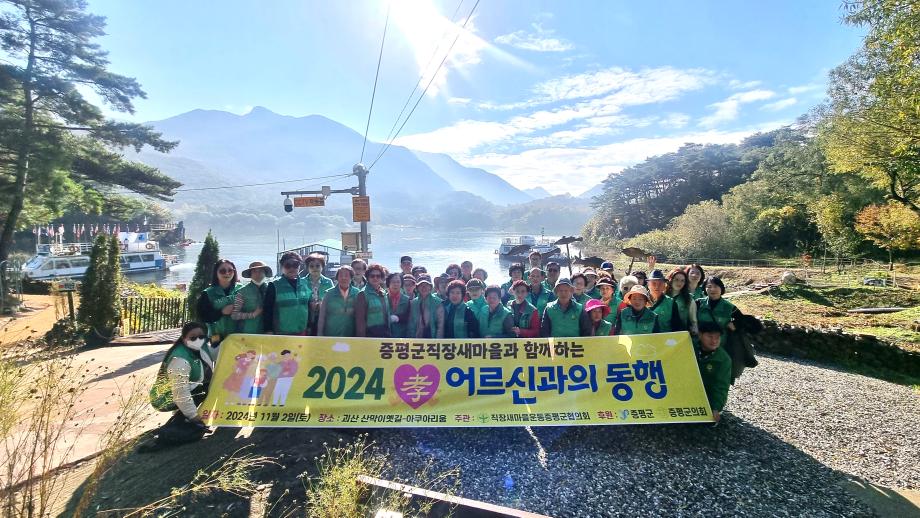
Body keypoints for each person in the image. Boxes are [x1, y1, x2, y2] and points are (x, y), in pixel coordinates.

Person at [145, 322, 216, 449]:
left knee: (208, 387)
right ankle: (182, 419)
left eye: (201, 337)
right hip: (165, 398)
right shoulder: (180, 360)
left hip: (185, 390)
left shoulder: (201, 347)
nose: (198, 340)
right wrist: (194, 417)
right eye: (193, 337)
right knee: (203, 391)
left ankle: (183, 416)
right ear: (184, 339)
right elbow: (180, 393)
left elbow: (216, 353)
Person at [262, 252, 312, 335]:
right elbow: (267, 310)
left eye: (295, 265)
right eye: (287, 265)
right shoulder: (274, 285)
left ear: (299, 266)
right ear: (282, 267)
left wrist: (309, 327)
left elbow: (309, 308)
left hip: (302, 332)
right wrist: (268, 330)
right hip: (281, 333)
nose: (291, 268)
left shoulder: (306, 283)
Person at [197, 259, 242, 346]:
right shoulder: (207, 293)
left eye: (230, 270)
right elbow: (203, 317)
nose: (227, 273)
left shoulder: (242, 290)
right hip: (217, 337)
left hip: (239, 337)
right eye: (222, 271)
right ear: (216, 273)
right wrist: (221, 312)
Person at [696, 321, 731, 423]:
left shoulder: (723, 359)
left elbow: (721, 385)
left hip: (706, 397)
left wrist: (716, 408)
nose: (714, 341)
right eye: (710, 337)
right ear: (700, 335)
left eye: (717, 337)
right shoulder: (690, 348)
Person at [695, 276, 740, 349]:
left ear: (721, 288)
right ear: (705, 289)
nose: (712, 289)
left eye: (716, 286)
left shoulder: (730, 307)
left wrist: (734, 325)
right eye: (709, 286)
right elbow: (690, 321)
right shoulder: (698, 303)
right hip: (699, 345)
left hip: (720, 346)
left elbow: (742, 322)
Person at [318, 265, 359, 337]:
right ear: (337, 278)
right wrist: (320, 334)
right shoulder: (329, 293)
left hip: (351, 335)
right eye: (341, 275)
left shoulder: (357, 293)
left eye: (346, 275)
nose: (343, 278)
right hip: (331, 333)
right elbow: (322, 316)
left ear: (351, 277)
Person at [232, 261, 271, 334]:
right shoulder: (242, 291)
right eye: (254, 271)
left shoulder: (271, 289)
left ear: (265, 273)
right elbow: (234, 315)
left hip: (268, 333)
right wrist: (252, 314)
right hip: (247, 333)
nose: (258, 274)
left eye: (261, 271)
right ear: (250, 274)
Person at [355, 264, 391, 337]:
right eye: (372, 276)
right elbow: (360, 321)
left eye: (378, 276)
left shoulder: (383, 292)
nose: (375, 278)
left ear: (381, 278)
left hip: (384, 333)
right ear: (367, 277)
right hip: (370, 335)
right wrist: (362, 340)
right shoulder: (362, 294)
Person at [302, 253, 334, 334]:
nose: (314, 268)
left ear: (322, 267)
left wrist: (321, 303)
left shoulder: (328, 282)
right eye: (311, 266)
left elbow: (332, 299)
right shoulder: (302, 282)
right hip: (306, 318)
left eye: (317, 266)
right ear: (307, 268)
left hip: (324, 317)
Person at [668, 268, 698, 335]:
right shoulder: (662, 296)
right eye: (676, 280)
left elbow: (694, 321)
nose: (679, 283)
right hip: (662, 334)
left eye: (682, 281)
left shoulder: (689, 299)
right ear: (670, 280)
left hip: (680, 336)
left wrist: (694, 329)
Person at [386, 273, 411, 337]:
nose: (395, 284)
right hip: (385, 335)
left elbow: (409, 317)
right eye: (393, 282)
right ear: (388, 283)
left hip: (402, 336)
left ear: (401, 284)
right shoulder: (382, 298)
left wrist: (397, 318)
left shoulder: (407, 299)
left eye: (398, 282)